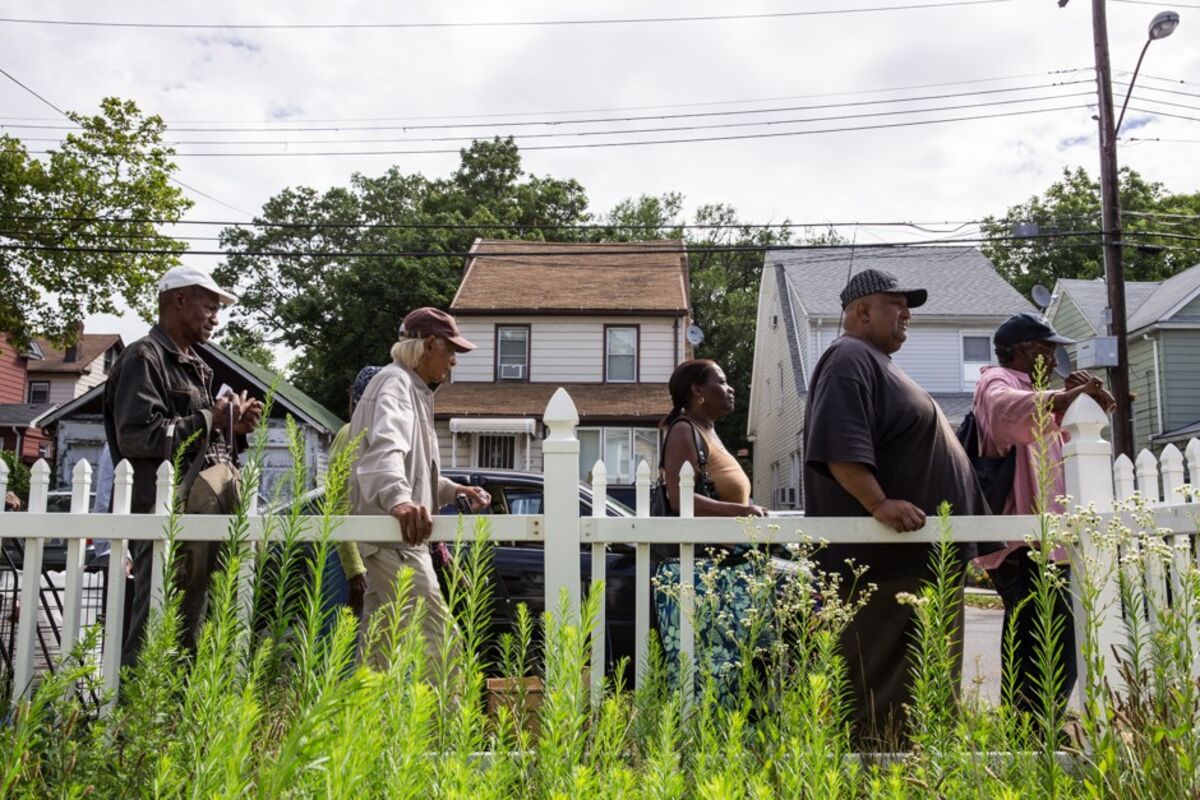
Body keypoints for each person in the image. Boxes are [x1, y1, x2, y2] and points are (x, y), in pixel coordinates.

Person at [804, 268, 989, 747]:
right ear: (862, 310)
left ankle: (914, 771)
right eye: (896, 303)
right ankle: (876, 776)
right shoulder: (849, 356)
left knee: (923, 682)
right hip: (887, 563)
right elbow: (839, 445)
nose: (907, 314)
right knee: (885, 683)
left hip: (918, 556)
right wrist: (878, 501)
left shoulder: (875, 361)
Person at [104, 265, 264, 665]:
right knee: (158, 616)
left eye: (217, 309)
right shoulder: (145, 356)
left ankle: (174, 716)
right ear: (178, 300)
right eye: (209, 306)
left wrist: (232, 428)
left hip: (197, 516)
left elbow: (197, 444)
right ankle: (133, 718)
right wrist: (211, 417)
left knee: (194, 620)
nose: (215, 317)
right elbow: (138, 436)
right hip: (162, 514)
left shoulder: (195, 363)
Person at [973, 312, 1114, 714]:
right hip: (1023, 545)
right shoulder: (995, 381)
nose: (1054, 362)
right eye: (1045, 351)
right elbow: (1004, 413)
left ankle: (1037, 727)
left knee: (1056, 638)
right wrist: (1063, 399)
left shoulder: (1038, 394)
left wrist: (1082, 405)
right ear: (1019, 352)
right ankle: (1029, 730)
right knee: (1038, 640)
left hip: (1051, 543)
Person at [349, 308, 489, 672]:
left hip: (389, 540)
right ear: (429, 345)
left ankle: (362, 728)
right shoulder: (395, 384)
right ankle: (448, 727)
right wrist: (399, 502)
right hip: (398, 541)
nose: (454, 362)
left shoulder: (410, 388)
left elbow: (412, 472)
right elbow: (384, 451)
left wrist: (451, 489)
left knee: (378, 654)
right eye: (451, 351)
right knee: (442, 646)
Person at [652, 359, 767, 701]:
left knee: (735, 672)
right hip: (701, 572)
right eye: (722, 381)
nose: (731, 388)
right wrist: (744, 511)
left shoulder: (709, 432)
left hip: (726, 570)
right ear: (697, 390)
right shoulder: (685, 430)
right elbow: (679, 498)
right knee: (709, 675)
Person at [329, 365, 382, 618]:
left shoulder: (380, 435)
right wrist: (354, 570)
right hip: (350, 561)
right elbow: (338, 503)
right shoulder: (350, 434)